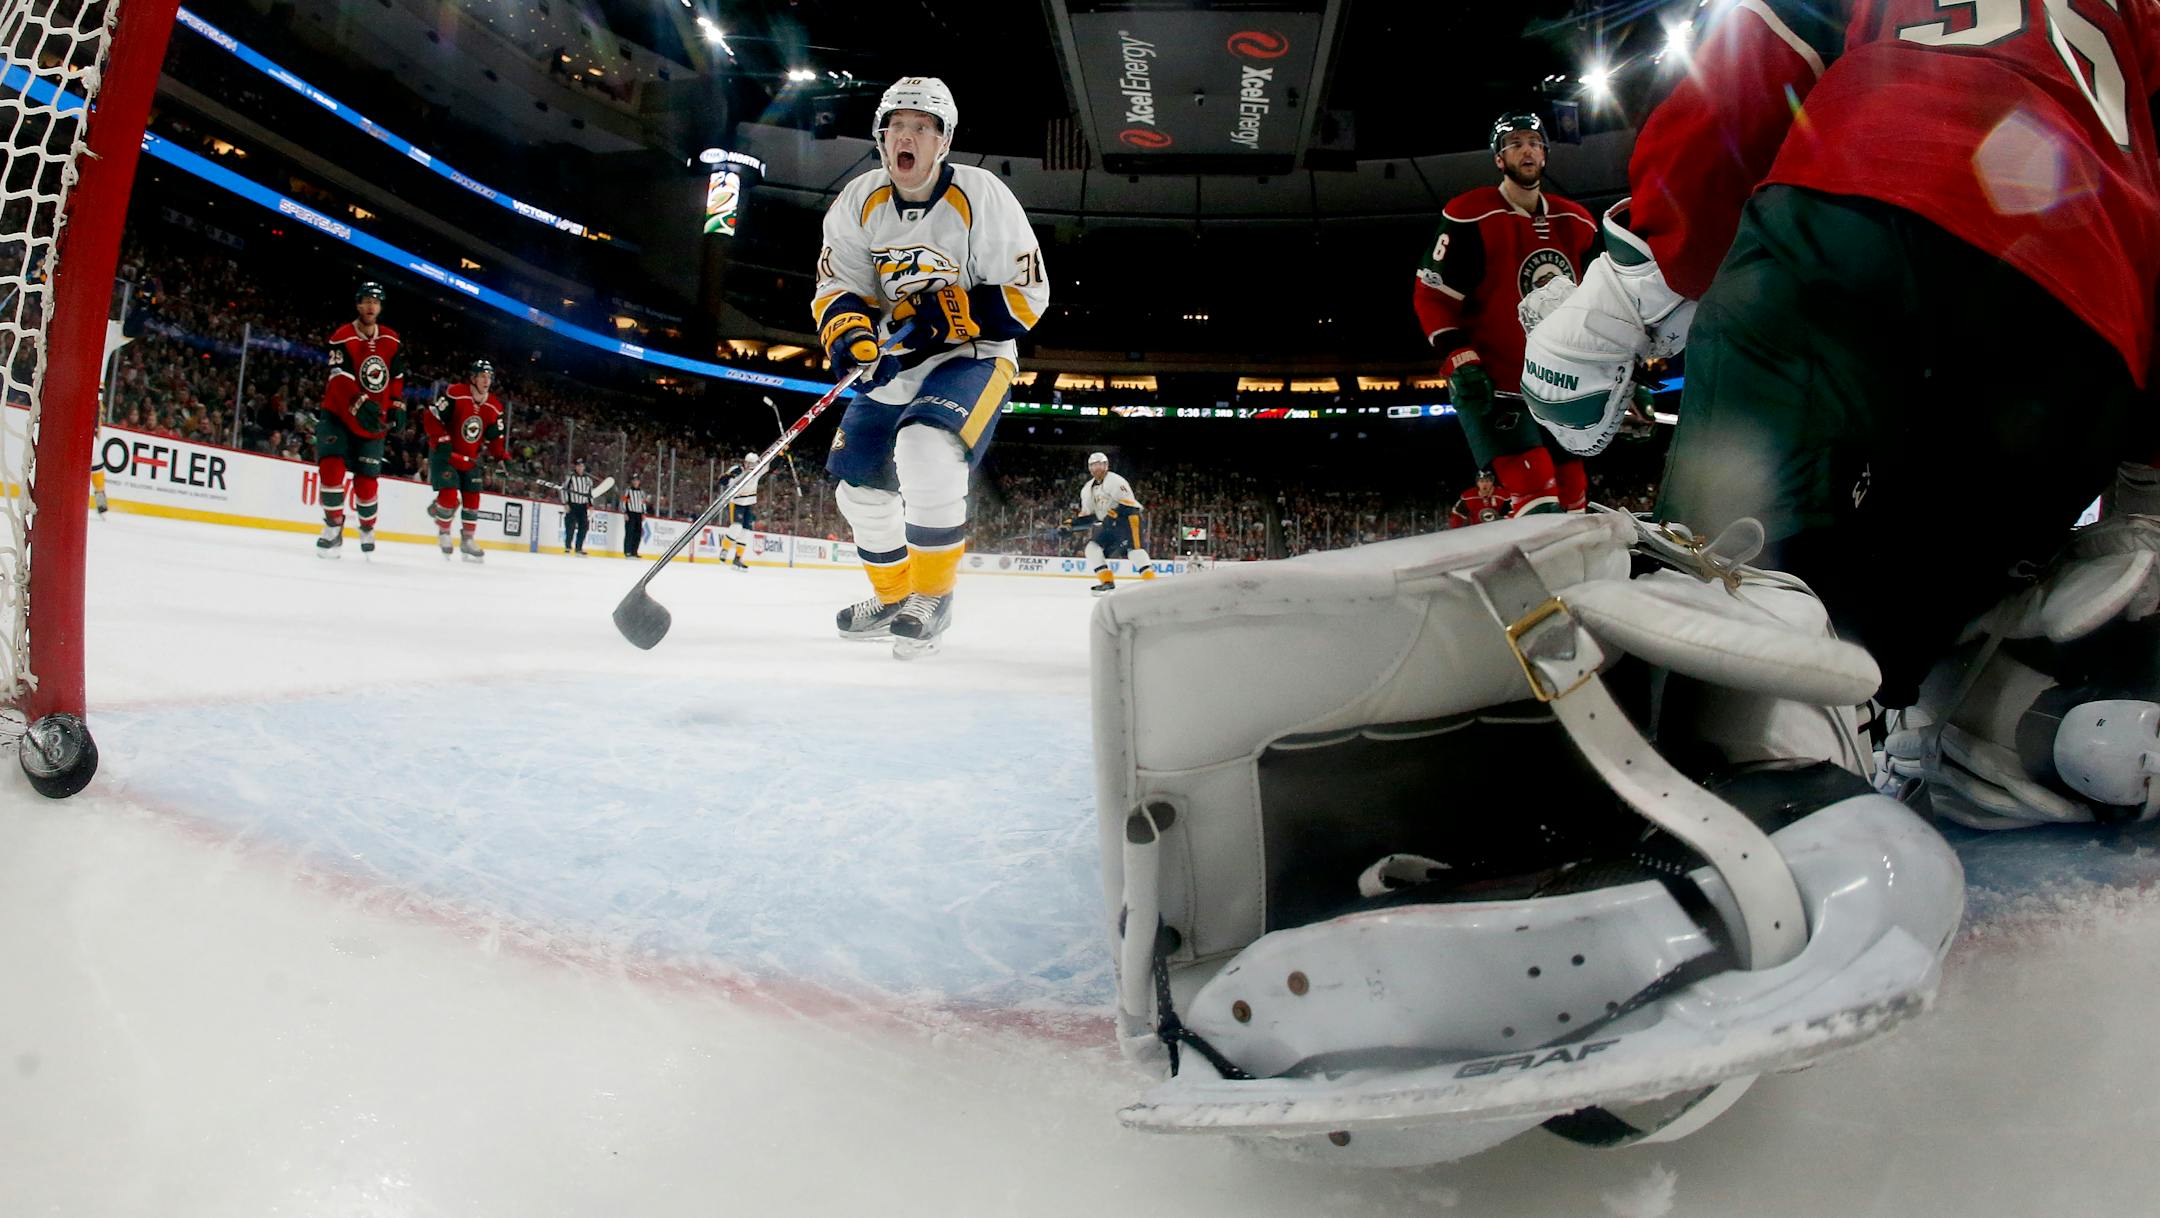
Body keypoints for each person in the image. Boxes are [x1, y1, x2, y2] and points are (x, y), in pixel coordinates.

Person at [1519, 0, 2160, 709]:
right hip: (2087, 299)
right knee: (1920, 631)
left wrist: (1641, 271)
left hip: (1858, 204)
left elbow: (1760, 56)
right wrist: (2147, 463)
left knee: (1733, 585)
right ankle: (2009, 722)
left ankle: (1730, 758)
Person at [815, 75, 1050, 658]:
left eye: (922, 127)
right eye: (896, 125)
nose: (907, 136)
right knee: (857, 489)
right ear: (880, 135)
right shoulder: (859, 199)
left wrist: (952, 316)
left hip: (975, 355)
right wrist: (853, 335)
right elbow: (838, 284)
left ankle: (933, 598)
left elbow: (1027, 295)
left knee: (925, 449)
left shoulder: (981, 194)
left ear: (942, 141)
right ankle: (894, 597)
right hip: (899, 358)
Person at [1412, 112, 1599, 518]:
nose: (1526, 149)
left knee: (1574, 498)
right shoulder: (1470, 215)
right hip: (1494, 386)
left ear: (1545, 155)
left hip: (1557, 387)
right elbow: (1431, 296)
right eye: (1515, 142)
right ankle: (1538, 582)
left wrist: (1626, 373)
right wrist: (1459, 355)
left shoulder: (1577, 222)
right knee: (1538, 498)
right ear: (1499, 158)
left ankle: (1580, 584)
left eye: (1534, 141)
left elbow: (1599, 309)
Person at [313, 282, 406, 558]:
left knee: (366, 485)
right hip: (339, 415)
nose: (370, 306)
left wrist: (397, 405)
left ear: (380, 307)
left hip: (371, 420)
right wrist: (358, 401)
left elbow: (397, 376)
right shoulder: (342, 336)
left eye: (375, 302)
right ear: (358, 304)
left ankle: (367, 526)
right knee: (331, 468)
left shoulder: (391, 340)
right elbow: (339, 378)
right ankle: (333, 526)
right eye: (366, 301)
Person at [422, 359, 509, 563]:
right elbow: (431, 416)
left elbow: (496, 438)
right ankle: (444, 532)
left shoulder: (494, 407)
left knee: (472, 500)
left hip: (470, 459)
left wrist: (501, 459)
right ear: (473, 378)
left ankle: (467, 539)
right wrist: (441, 439)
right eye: (482, 376)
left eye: (489, 377)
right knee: (449, 498)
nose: (486, 381)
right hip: (446, 455)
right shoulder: (456, 393)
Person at [1067, 451, 1155, 594]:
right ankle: (1107, 582)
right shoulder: (1086, 489)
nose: (1097, 468)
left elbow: (1128, 505)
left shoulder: (1116, 481)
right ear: (1090, 468)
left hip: (1128, 519)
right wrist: (1069, 524)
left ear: (1106, 465)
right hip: (1108, 523)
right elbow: (1088, 515)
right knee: (1092, 548)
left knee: (1134, 551)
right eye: (1094, 465)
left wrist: (1112, 515)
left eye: (1100, 465)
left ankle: (1152, 583)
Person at [717, 450, 761, 571]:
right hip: (736, 503)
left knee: (746, 532)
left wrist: (781, 454)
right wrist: (730, 476)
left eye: (753, 464)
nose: (750, 466)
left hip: (748, 504)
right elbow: (721, 481)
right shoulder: (737, 469)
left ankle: (737, 558)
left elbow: (771, 467)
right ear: (745, 462)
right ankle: (725, 549)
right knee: (736, 527)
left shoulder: (757, 471)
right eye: (748, 463)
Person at [561, 459, 596, 555]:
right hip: (572, 505)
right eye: (578, 466)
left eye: (582, 466)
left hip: (583, 506)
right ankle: (568, 546)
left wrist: (591, 505)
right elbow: (564, 490)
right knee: (570, 526)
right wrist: (566, 503)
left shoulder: (588, 480)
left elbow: (589, 493)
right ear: (576, 467)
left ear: (584, 467)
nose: (580, 468)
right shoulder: (570, 477)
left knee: (584, 527)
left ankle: (579, 548)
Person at [621, 473, 649, 559]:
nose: (636, 482)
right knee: (629, 533)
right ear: (632, 481)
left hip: (638, 514)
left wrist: (644, 513)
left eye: (637, 480)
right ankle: (628, 552)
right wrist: (625, 512)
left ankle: (634, 552)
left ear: (639, 482)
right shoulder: (628, 491)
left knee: (638, 533)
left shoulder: (641, 492)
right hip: (630, 513)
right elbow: (623, 502)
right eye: (634, 480)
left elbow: (643, 503)